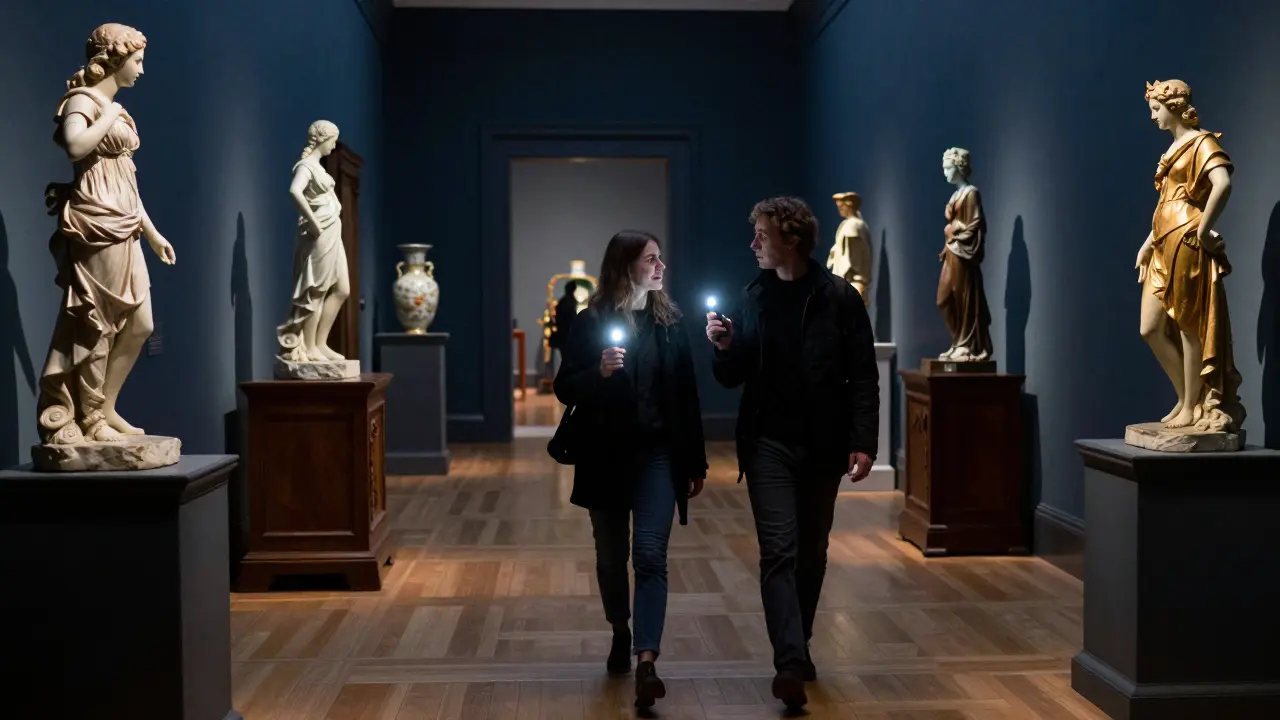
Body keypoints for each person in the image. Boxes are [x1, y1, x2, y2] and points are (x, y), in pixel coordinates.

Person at [704, 196, 879, 711]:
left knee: (812, 552)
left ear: (792, 239)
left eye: (762, 235)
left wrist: (864, 441)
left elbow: (863, 376)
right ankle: (789, 663)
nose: (753, 244)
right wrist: (724, 348)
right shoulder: (753, 296)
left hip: (823, 444)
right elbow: (733, 376)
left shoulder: (839, 298)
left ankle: (798, 645)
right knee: (778, 551)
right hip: (767, 444)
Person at [554, 230, 708, 709]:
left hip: (658, 456)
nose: (660, 267)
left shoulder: (670, 323)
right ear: (625, 267)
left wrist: (695, 460)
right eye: (650, 260)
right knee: (610, 557)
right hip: (604, 457)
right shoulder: (590, 322)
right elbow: (564, 387)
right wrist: (598, 373)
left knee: (649, 556)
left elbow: (687, 396)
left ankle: (646, 661)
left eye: (660, 259)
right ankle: (620, 629)